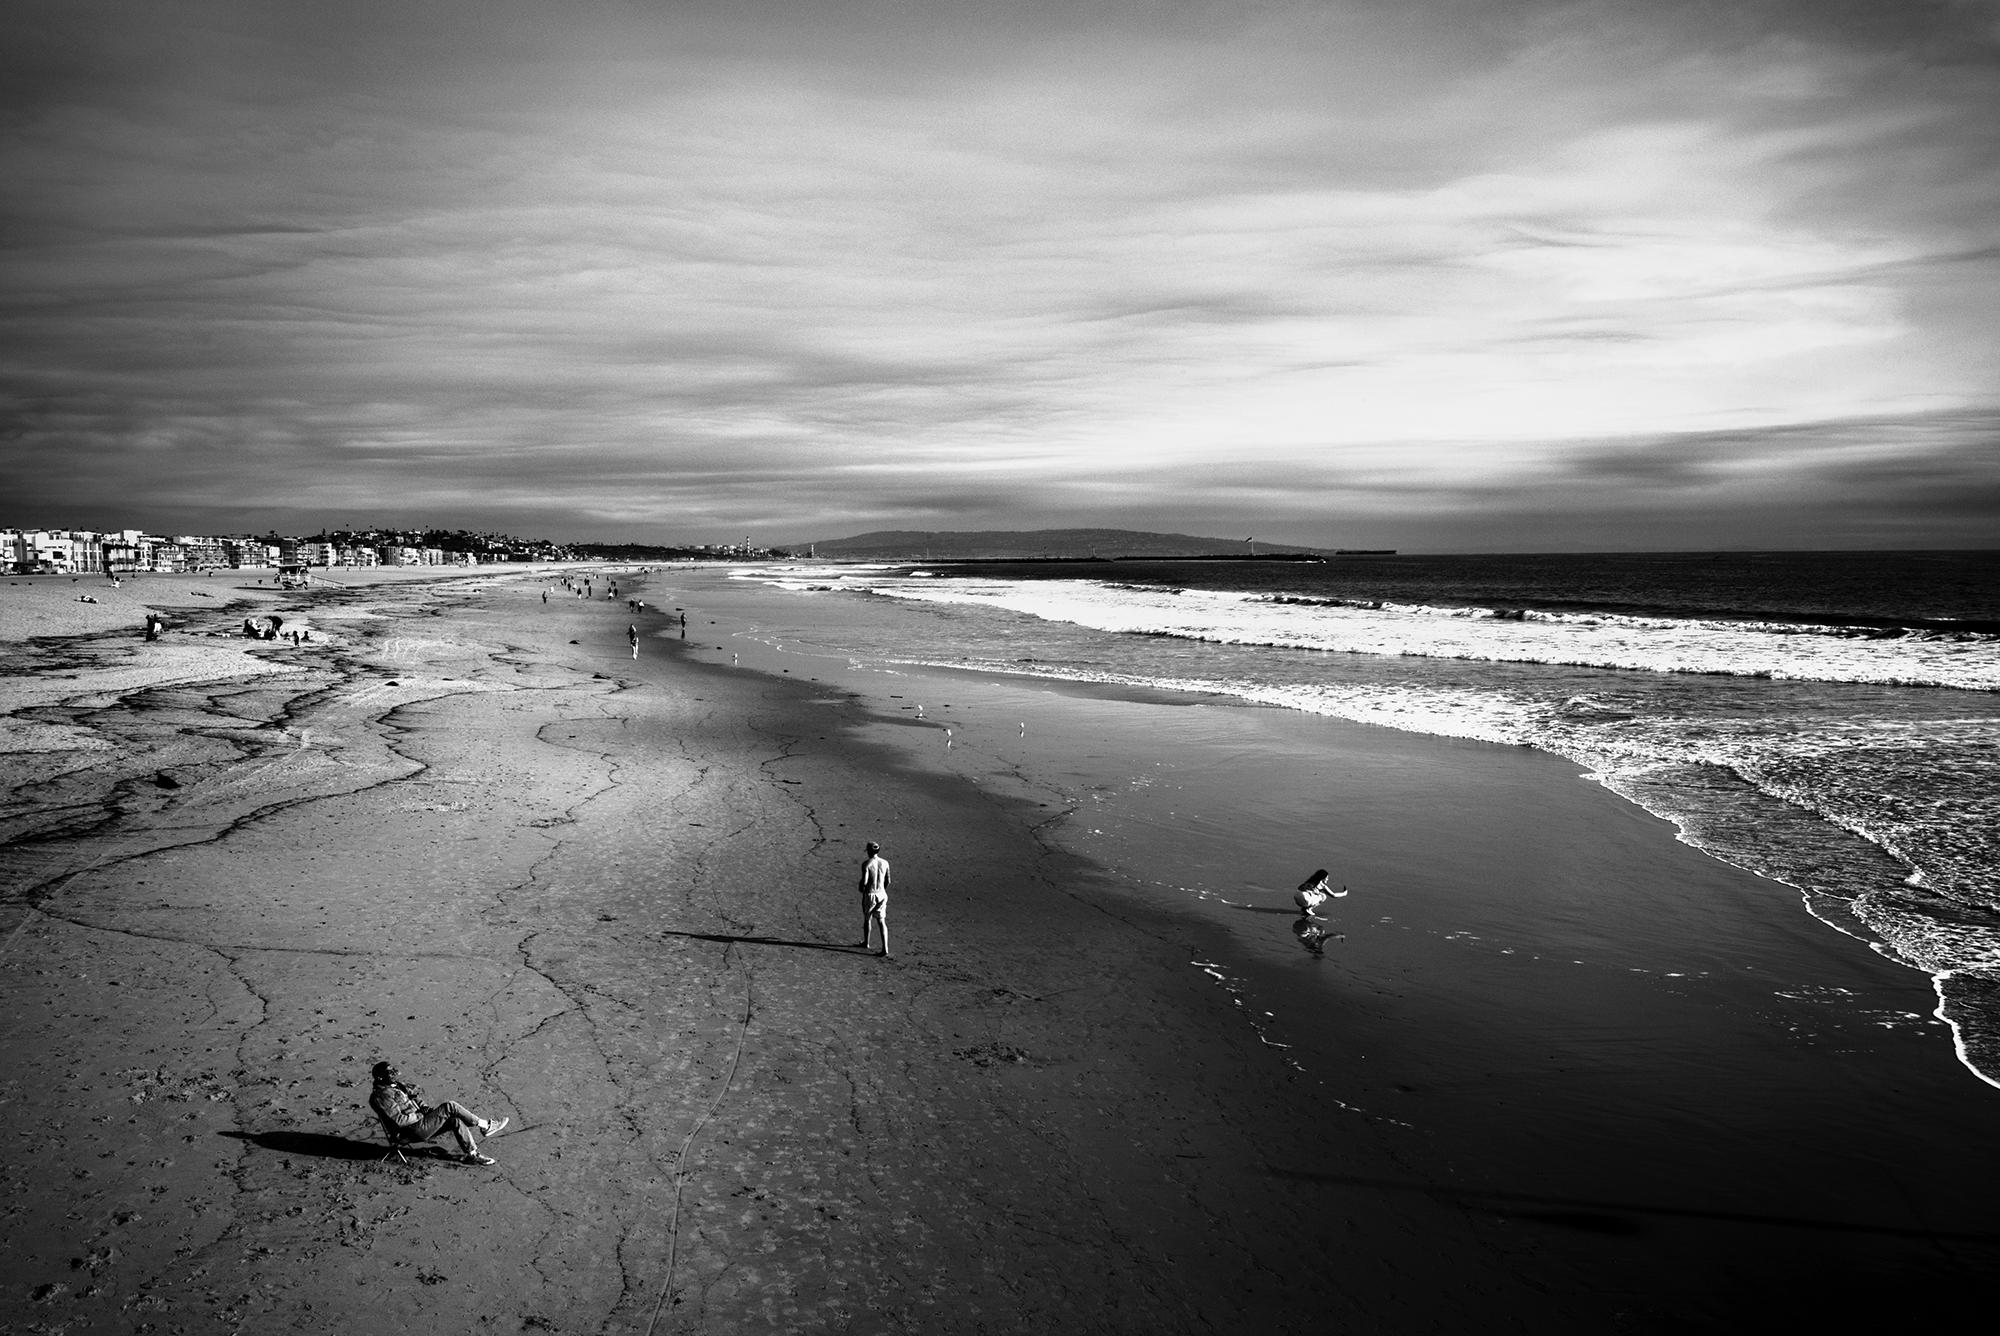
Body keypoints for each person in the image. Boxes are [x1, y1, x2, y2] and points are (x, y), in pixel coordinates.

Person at [368, 1061, 508, 1165]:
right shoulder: (380, 1095)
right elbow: (400, 1120)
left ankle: (473, 1154)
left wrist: (428, 1111)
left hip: (421, 1124)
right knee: (450, 1106)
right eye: (389, 1072)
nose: (393, 1074)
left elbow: (417, 1101)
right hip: (409, 1131)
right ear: (380, 1078)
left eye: (393, 1071)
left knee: (455, 1120)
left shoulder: (397, 1085)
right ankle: (485, 1125)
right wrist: (422, 1116)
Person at [856, 841, 892, 959]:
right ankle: (885, 948)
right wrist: (882, 890)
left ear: (869, 852)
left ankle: (866, 942)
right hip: (882, 893)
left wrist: (861, 888)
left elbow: (865, 882)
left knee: (867, 919)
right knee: (882, 921)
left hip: (870, 894)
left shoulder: (866, 864)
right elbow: (888, 881)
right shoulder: (885, 863)